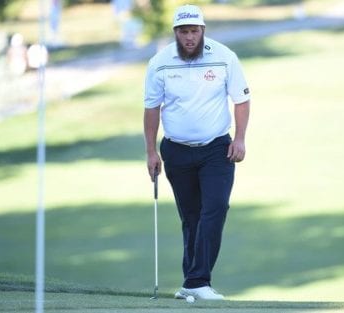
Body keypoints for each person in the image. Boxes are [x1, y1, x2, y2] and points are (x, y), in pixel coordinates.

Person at [143, 4, 250, 301]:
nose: (189, 37)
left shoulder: (225, 57)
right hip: (176, 151)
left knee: (215, 210)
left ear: (203, 30)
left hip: (217, 148)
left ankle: (197, 280)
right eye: (183, 32)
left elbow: (241, 100)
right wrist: (151, 152)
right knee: (191, 218)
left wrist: (239, 139)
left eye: (194, 31)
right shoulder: (160, 62)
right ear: (175, 33)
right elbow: (151, 109)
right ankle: (192, 282)